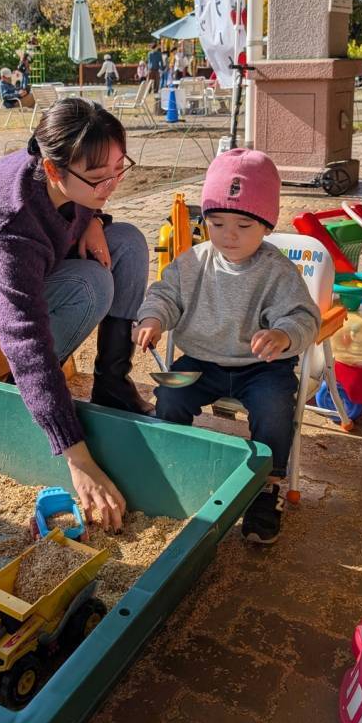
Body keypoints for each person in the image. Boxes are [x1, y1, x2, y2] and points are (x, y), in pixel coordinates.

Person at [0, 98, 150, 532]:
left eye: (121, 169)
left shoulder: (71, 172)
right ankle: (21, 399)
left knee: (130, 243)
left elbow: (85, 199)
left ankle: (113, 385)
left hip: (34, 258)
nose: (113, 184)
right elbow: (23, 337)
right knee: (90, 286)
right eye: (100, 178)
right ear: (52, 170)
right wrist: (77, 457)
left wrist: (94, 218)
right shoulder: (11, 226)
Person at [133, 149, 320, 546]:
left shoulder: (277, 271)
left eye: (243, 225)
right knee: (168, 393)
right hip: (200, 360)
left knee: (274, 409)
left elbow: (303, 317)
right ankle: (175, 463)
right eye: (216, 223)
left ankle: (268, 486)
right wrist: (152, 319)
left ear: (267, 226)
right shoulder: (193, 262)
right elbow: (164, 295)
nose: (228, 235)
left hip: (262, 366)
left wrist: (284, 336)